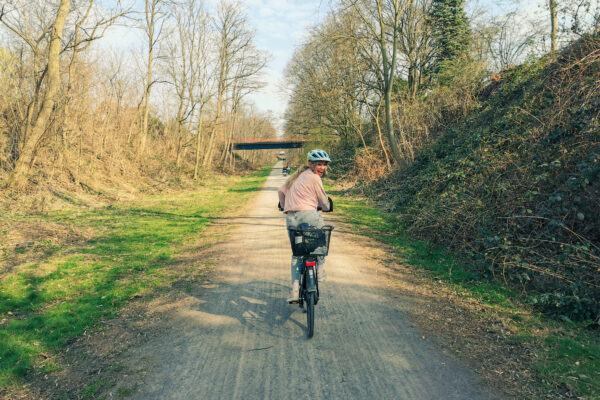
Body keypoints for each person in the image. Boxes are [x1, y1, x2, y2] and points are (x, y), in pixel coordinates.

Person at [278, 149, 331, 304]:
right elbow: (323, 200)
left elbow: (281, 192)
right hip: (309, 215)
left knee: (297, 254)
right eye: (319, 164)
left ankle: (295, 292)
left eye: (324, 165)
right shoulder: (314, 178)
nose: (322, 168)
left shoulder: (295, 178)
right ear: (310, 164)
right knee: (320, 241)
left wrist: (284, 206)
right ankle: (320, 271)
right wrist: (326, 207)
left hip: (291, 218)